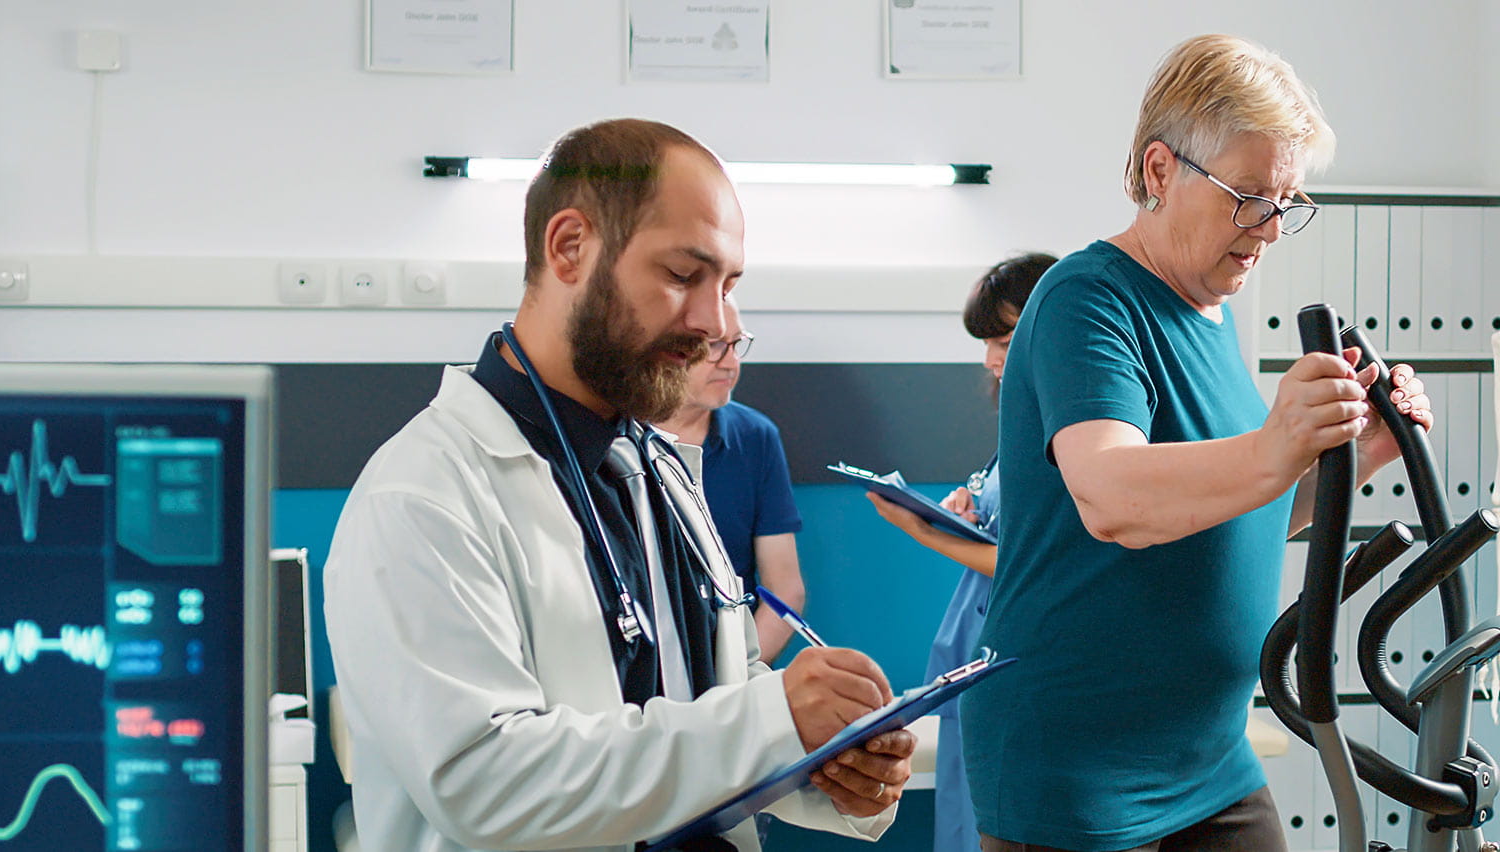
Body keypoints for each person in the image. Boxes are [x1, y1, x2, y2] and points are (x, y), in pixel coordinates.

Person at [322, 118, 915, 852]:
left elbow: (707, 696)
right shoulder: (424, 495)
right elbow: (486, 786)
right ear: (570, 247)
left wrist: (824, 761)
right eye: (681, 276)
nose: (714, 323)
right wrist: (772, 720)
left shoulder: (656, 466)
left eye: (728, 285)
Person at [958, 35, 1434, 852]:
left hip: (1209, 760)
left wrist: (1366, 452)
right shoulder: (1088, 299)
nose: (1272, 229)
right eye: (1250, 197)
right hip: (1080, 774)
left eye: (1287, 203)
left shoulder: (1211, 314)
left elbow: (1240, 509)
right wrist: (1279, 439)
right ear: (1158, 172)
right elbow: (1113, 498)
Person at [867, 251, 1057, 852]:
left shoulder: (1076, 431)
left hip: (1025, 677)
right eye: (986, 342)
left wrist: (926, 533)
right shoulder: (1024, 423)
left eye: (1002, 338)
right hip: (984, 672)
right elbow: (1014, 532)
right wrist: (968, 512)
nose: (990, 359)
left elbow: (1035, 565)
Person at [656, 297, 807, 664]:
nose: (731, 362)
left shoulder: (755, 436)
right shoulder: (614, 436)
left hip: (730, 658)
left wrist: (735, 679)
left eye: (737, 344)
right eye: (713, 347)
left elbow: (784, 589)